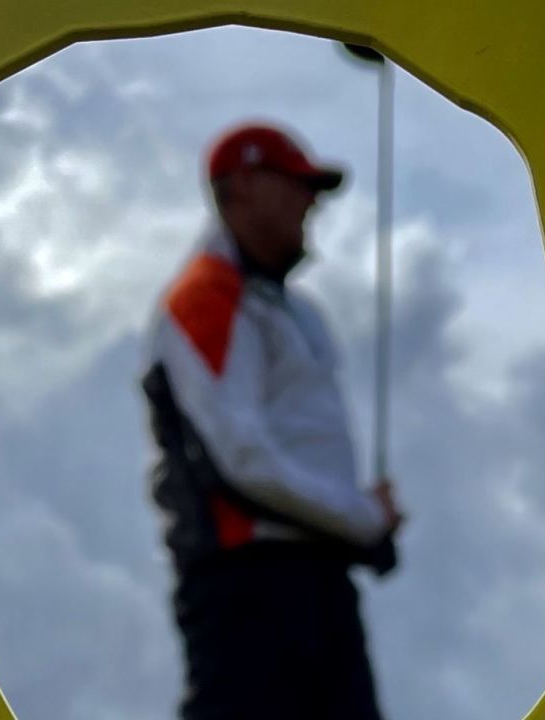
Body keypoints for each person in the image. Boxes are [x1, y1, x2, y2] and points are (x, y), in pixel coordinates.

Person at [139, 122, 405, 720]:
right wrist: (363, 517)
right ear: (245, 186)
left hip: (316, 583)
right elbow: (242, 458)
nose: (311, 203)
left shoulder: (294, 310)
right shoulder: (207, 296)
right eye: (298, 184)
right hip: (247, 588)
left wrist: (356, 518)